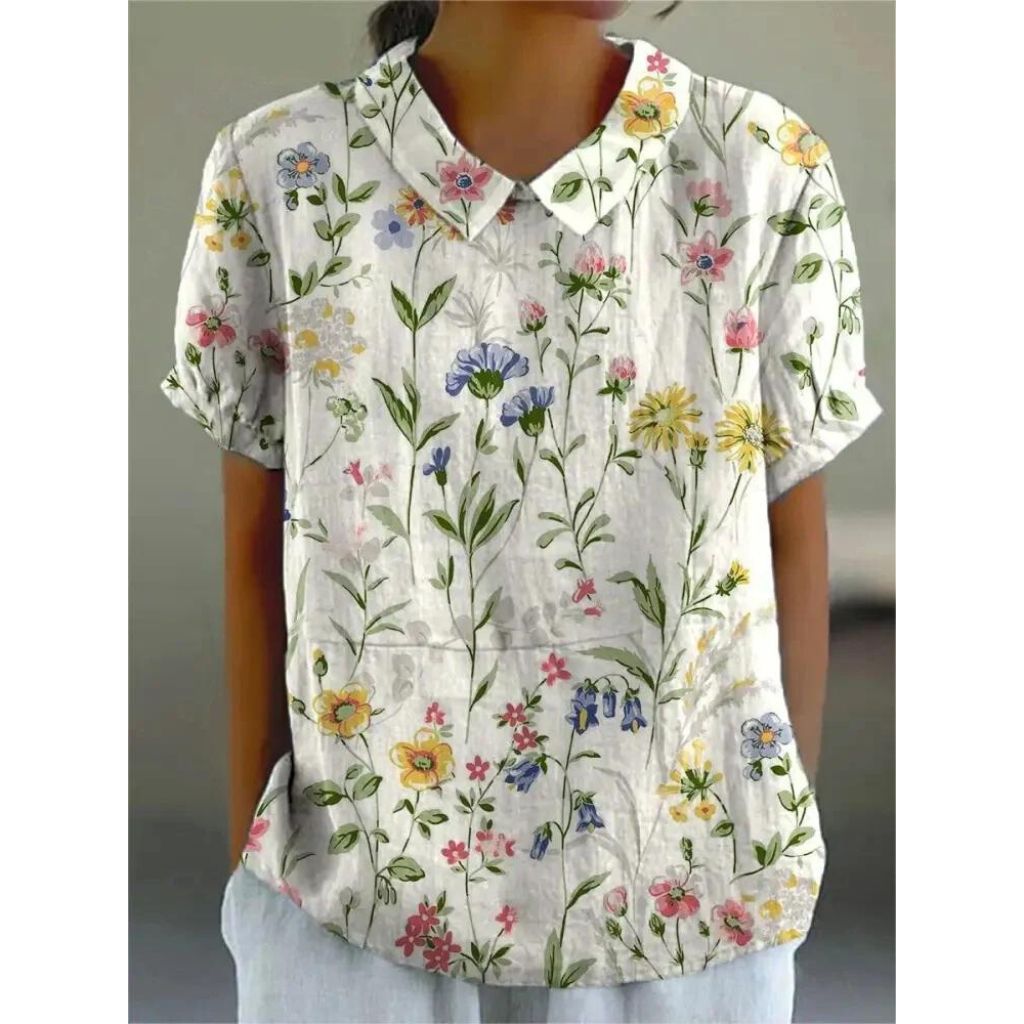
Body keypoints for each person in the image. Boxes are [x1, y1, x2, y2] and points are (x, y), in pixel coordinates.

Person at [161, 1, 882, 1021]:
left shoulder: (760, 167)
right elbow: (254, 550)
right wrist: (264, 886)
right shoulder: (284, 171)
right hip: (353, 905)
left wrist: (761, 853)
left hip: (690, 913)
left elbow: (788, 542)